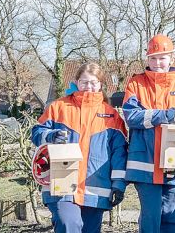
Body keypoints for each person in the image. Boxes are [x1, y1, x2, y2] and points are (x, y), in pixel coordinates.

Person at [122, 34, 175, 233]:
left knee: (174, 221)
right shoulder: (136, 85)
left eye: (162, 58)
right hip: (146, 166)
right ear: (147, 59)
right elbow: (131, 116)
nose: (158, 63)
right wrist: (161, 116)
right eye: (153, 58)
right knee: (151, 221)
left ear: (171, 58)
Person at [32, 63, 127, 233]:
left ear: (101, 85)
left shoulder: (112, 115)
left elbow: (119, 153)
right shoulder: (58, 107)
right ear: (76, 81)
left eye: (93, 82)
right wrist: (51, 135)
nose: (88, 87)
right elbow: (37, 132)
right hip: (62, 185)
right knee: (69, 224)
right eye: (84, 82)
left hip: (96, 187)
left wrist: (119, 185)